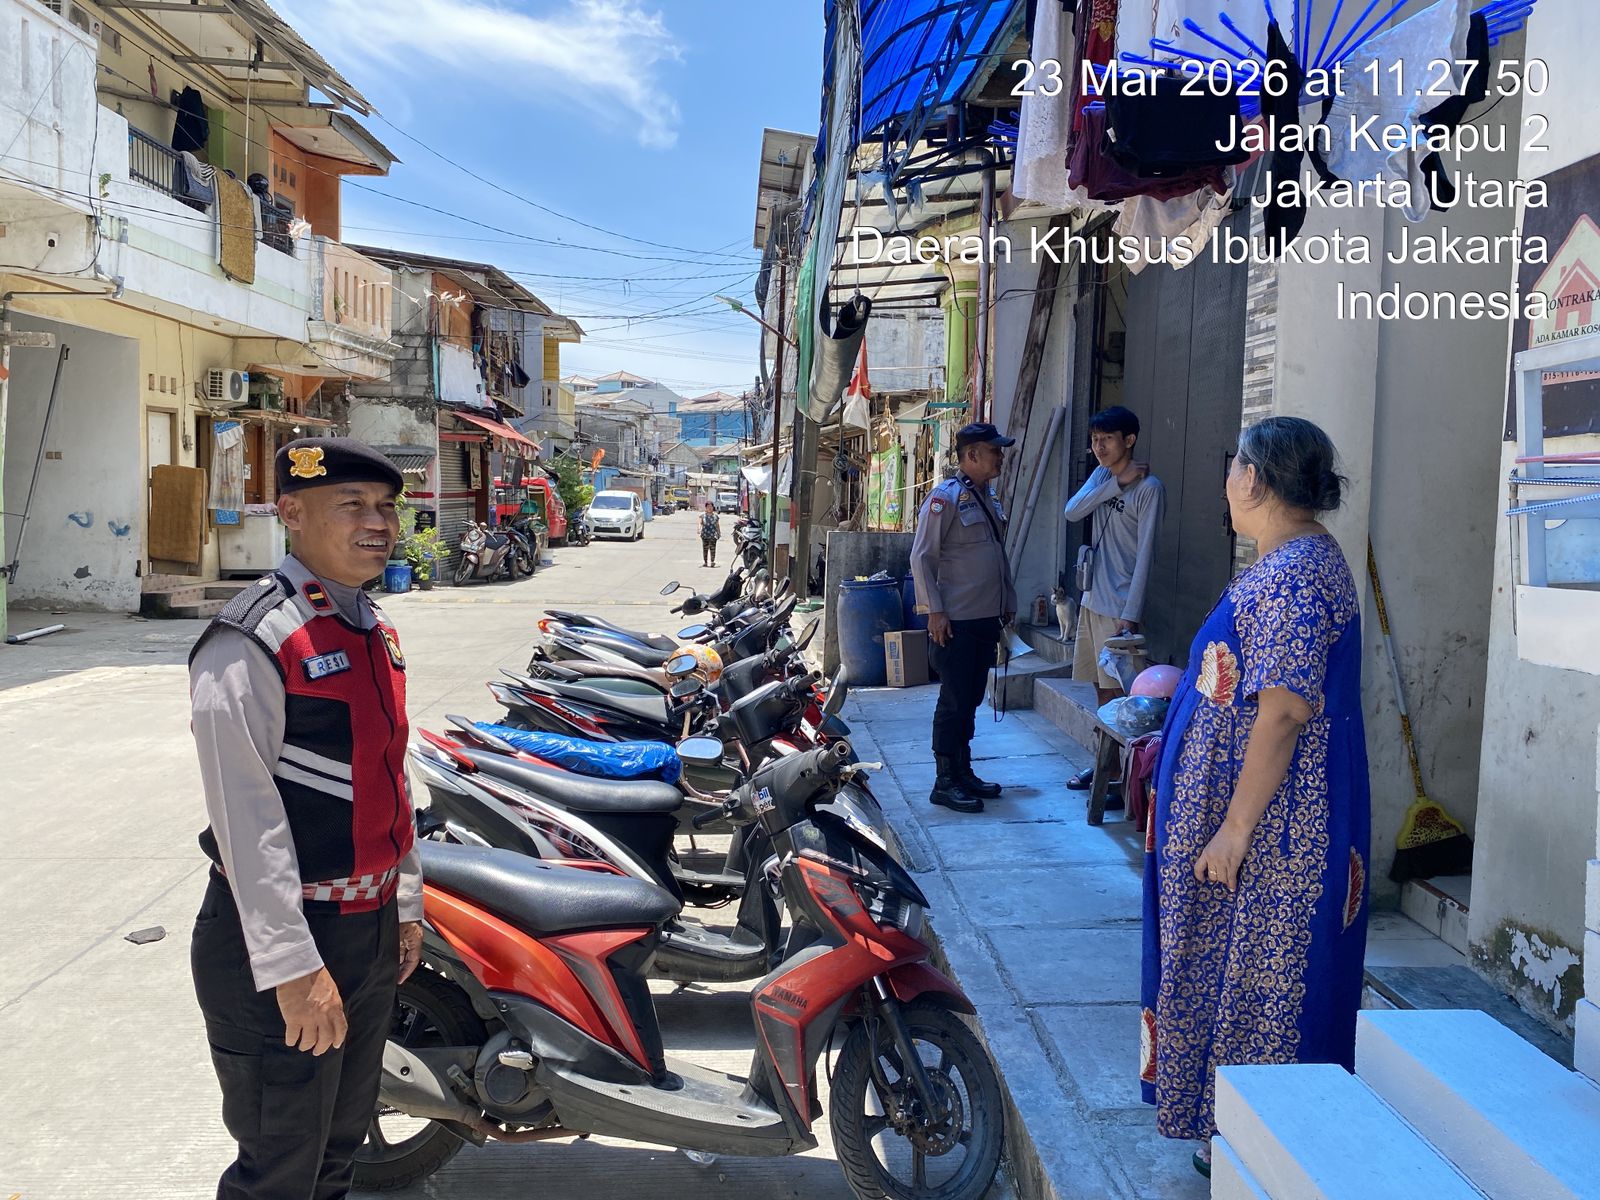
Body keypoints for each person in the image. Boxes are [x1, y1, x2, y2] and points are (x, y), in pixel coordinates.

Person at [189, 437, 424, 1200]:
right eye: (351, 505)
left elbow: (390, 778)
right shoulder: (252, 636)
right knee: (279, 1170)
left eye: (385, 506)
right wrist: (291, 966)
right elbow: (244, 819)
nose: (378, 522)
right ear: (291, 514)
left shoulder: (369, 626)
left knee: (335, 1154)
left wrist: (406, 905)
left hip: (367, 930)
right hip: (287, 941)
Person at [1138, 417, 1369, 1179]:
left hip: (1274, 830)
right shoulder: (1289, 559)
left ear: (1260, 481)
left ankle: (1251, 1138)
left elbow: (1283, 711)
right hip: (1257, 818)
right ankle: (1228, 1128)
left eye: (1234, 464)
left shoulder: (1297, 573)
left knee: (1259, 981)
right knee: (1228, 973)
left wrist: (1234, 830)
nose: (1227, 478)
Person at [909, 422, 1018, 814]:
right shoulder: (945, 498)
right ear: (972, 455)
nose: (1000, 457)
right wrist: (934, 611)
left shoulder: (989, 498)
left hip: (986, 617)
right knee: (953, 700)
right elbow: (921, 557)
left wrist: (1009, 598)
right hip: (955, 620)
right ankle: (943, 780)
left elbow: (996, 553)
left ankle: (963, 769)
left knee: (971, 697)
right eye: (995, 450)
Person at [1063, 406, 1165, 790]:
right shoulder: (1102, 475)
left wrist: (1131, 613)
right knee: (1101, 689)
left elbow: (1145, 556)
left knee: (1129, 695)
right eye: (1094, 440)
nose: (1098, 447)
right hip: (1091, 600)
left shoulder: (1150, 489)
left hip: (1119, 607)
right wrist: (1115, 484)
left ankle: (1129, 778)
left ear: (1129, 440)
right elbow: (1072, 512)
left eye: (1106, 439)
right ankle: (1106, 767)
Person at [701, 501, 721, 567]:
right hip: (705, 534)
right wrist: (698, 529)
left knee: (713, 549)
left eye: (711, 507)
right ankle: (705, 562)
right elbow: (700, 523)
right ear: (706, 508)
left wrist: (719, 532)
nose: (709, 508)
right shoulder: (703, 516)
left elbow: (717, 525)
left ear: (713, 507)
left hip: (713, 534)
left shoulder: (716, 516)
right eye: (708, 507)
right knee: (705, 549)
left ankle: (712, 561)